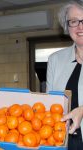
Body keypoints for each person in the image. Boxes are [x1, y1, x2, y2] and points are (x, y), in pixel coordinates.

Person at [46, 0, 83, 149]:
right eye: (74, 21)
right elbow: (50, 103)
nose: (80, 27)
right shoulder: (55, 60)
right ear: (67, 26)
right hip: (63, 141)